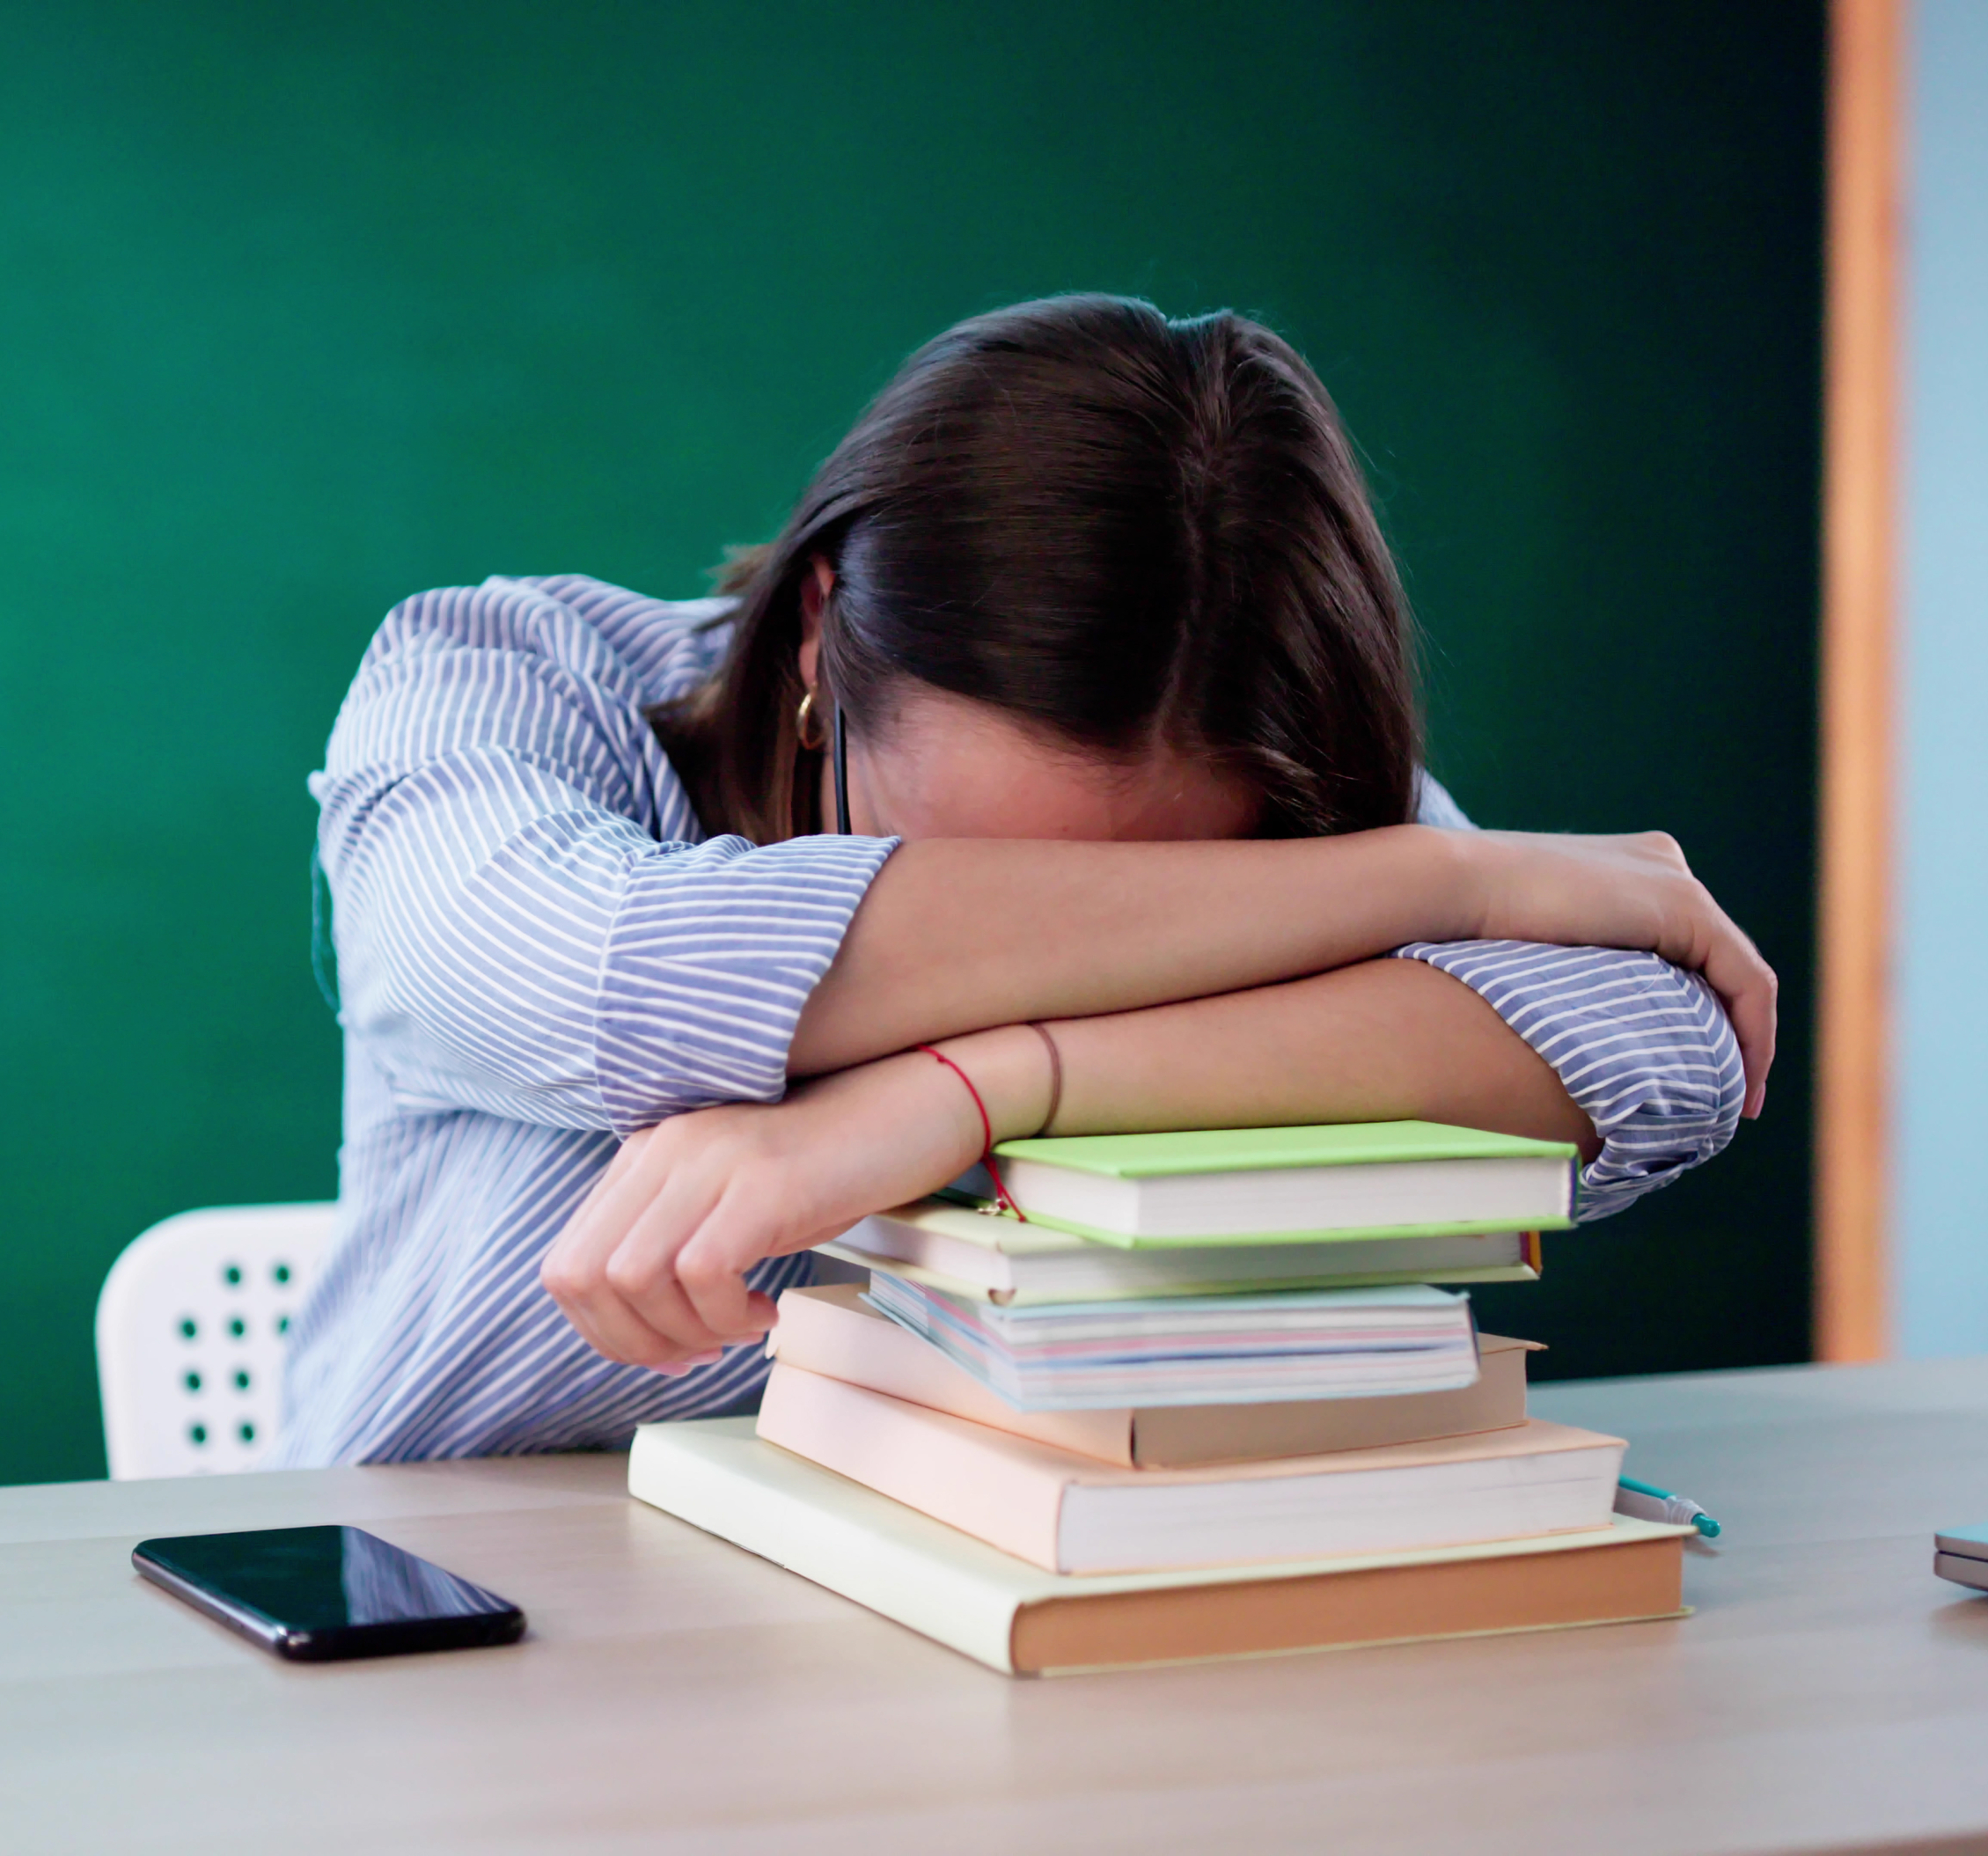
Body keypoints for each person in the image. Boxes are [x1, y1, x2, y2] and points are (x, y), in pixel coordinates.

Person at [281, 294, 1772, 1465]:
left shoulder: (1284, 791)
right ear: (818, 641)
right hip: (479, 1602)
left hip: (1043, 1602)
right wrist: (1430, 880)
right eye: (988, 879)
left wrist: (973, 1086)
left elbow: (1659, 1053)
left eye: (1177, 905)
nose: (1100, 931)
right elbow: (613, 978)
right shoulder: (501, 682)